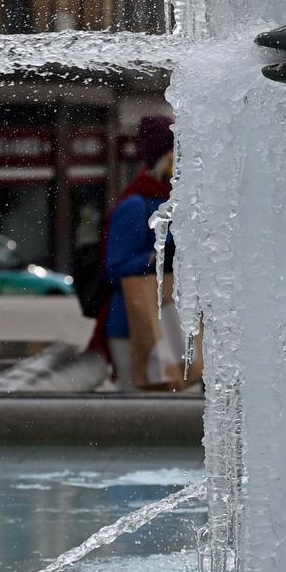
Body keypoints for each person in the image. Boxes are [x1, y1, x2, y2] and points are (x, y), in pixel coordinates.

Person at [101, 116, 178, 390]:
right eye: (175, 153)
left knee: (165, 406)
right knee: (139, 409)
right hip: (132, 323)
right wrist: (155, 259)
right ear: (162, 156)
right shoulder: (135, 205)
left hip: (165, 318)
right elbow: (113, 268)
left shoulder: (171, 199)